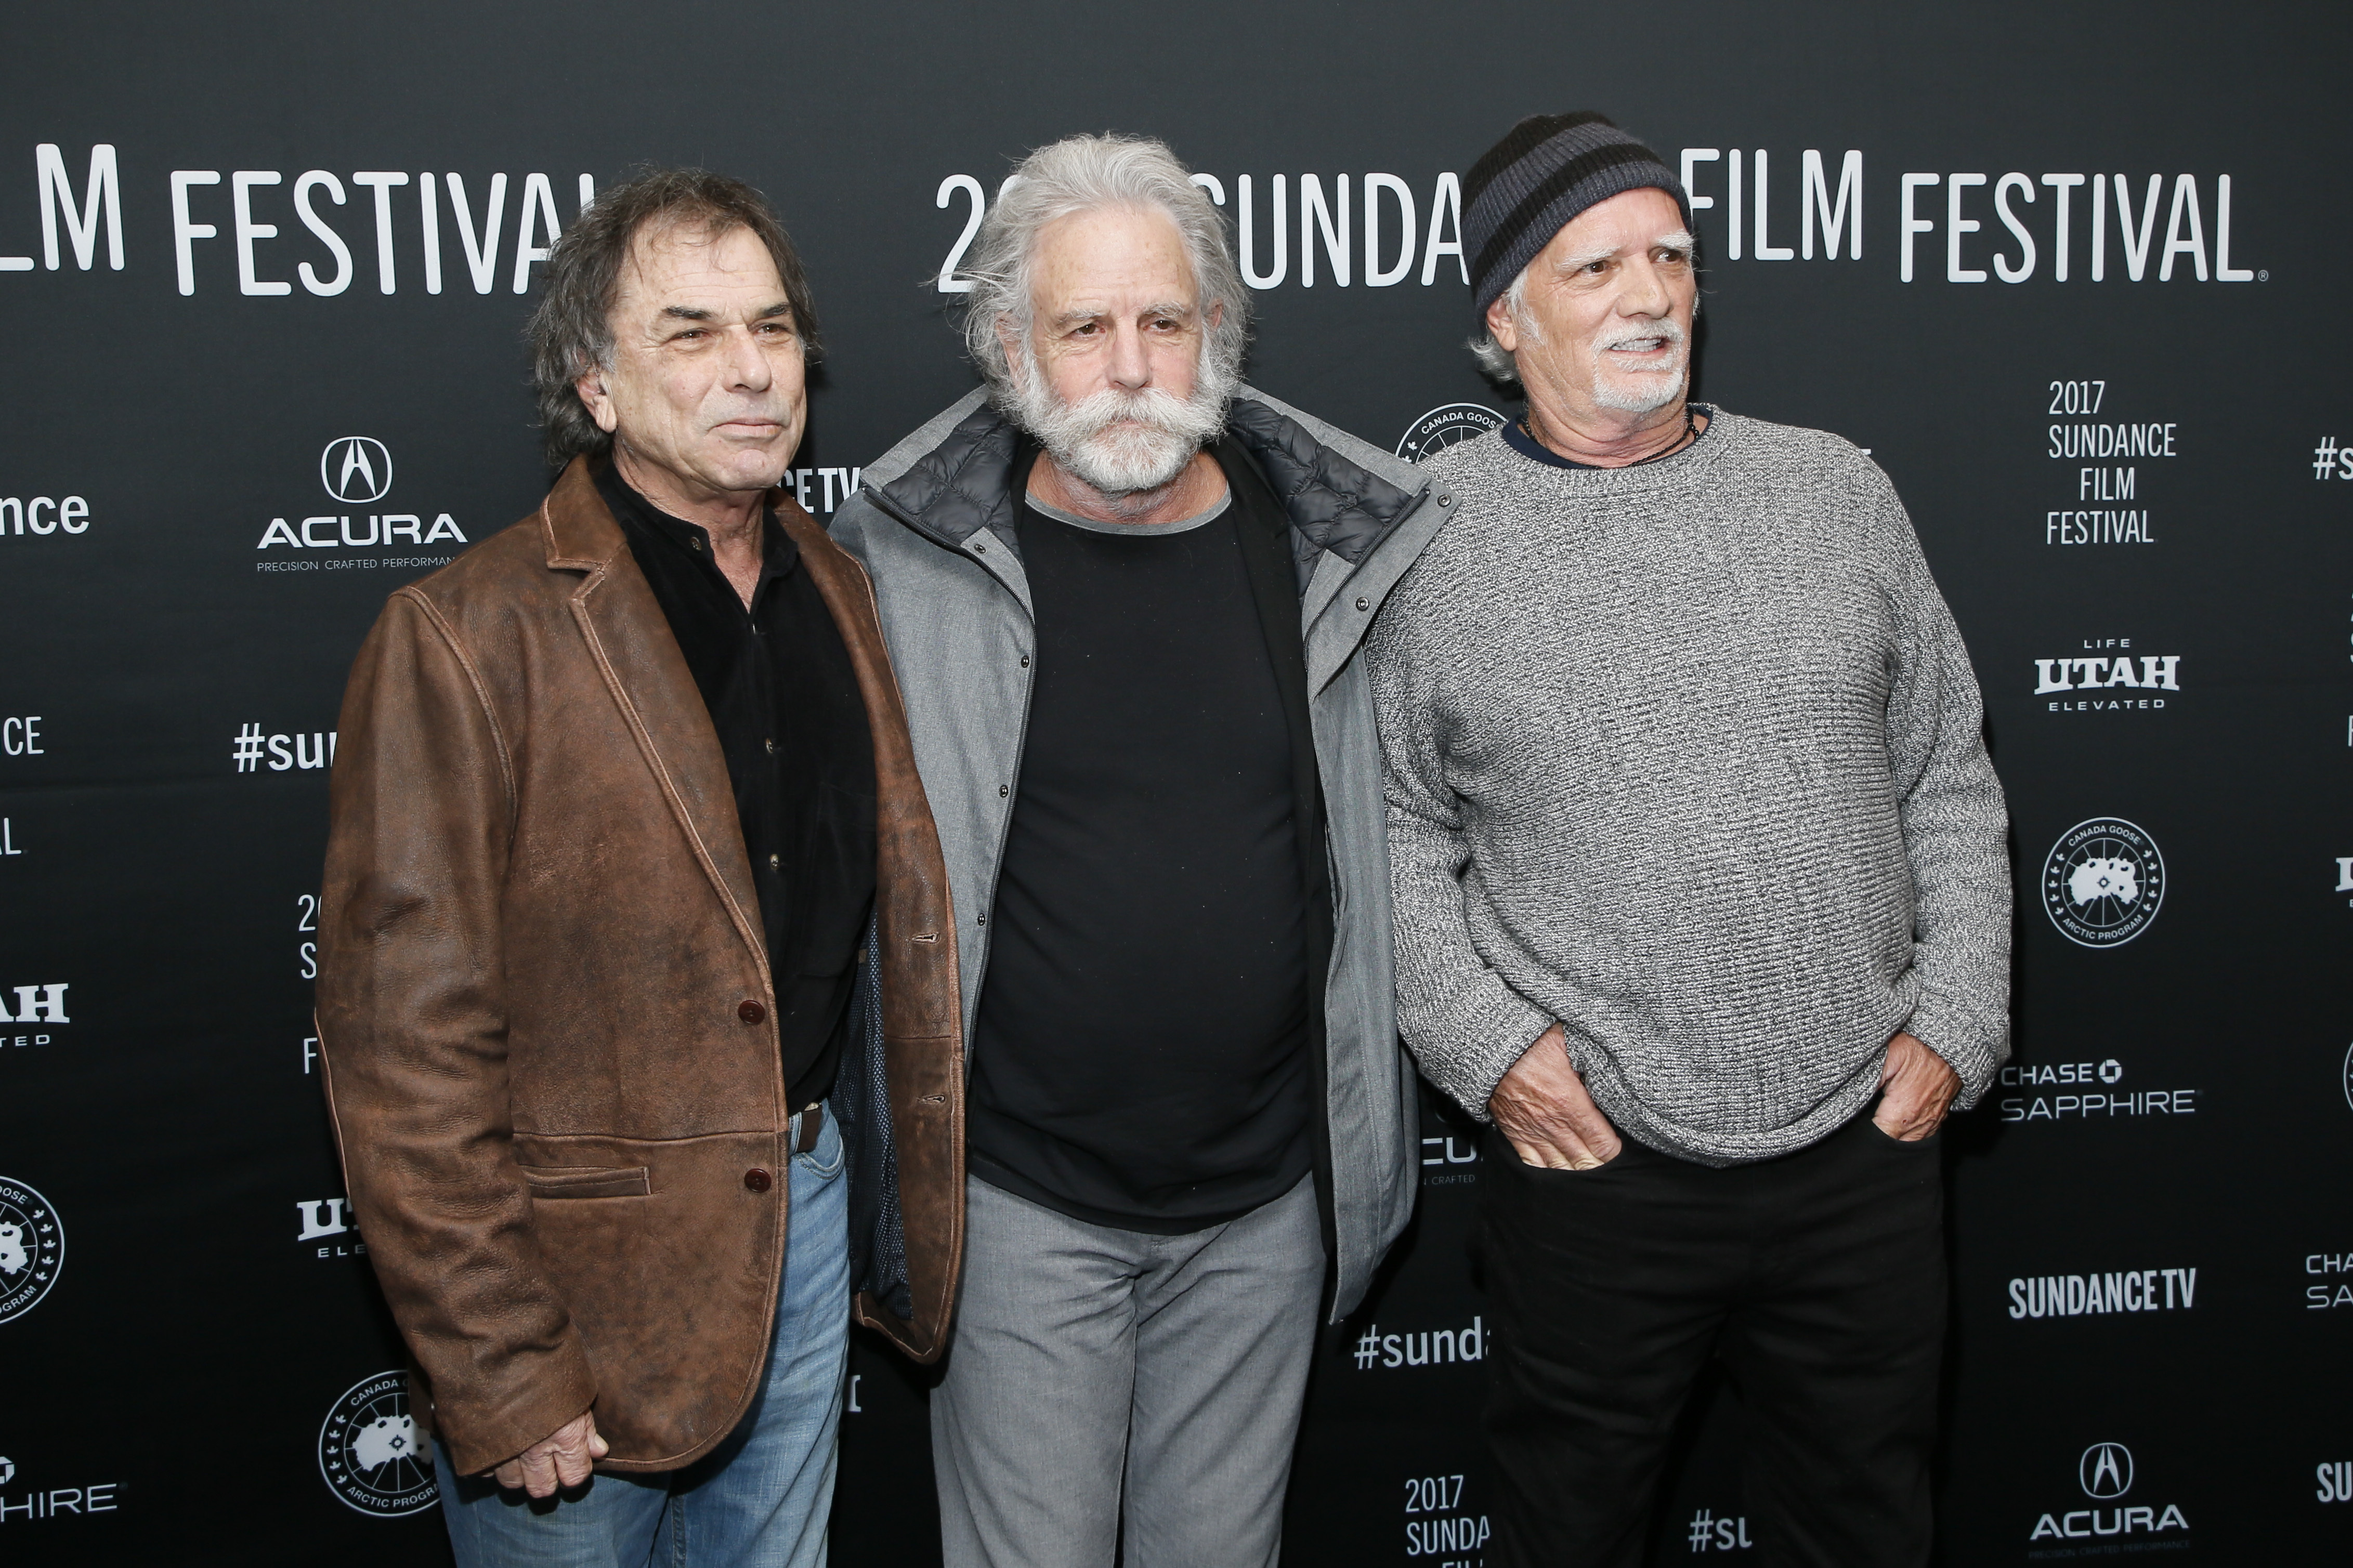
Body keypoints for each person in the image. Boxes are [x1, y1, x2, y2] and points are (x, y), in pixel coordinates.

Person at [1367, 113, 2012, 1567]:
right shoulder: (1427, 541)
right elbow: (1389, 830)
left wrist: (1961, 1016)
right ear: (1505, 313)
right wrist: (1492, 1047)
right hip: (1600, 1176)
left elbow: (1949, 781)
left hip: (1864, 1153)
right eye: (1595, 266)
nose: (1650, 295)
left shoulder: (1837, 491)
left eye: (1671, 256)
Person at [315, 167, 963, 1568]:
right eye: (691, 333)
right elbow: (398, 1051)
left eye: (775, 329)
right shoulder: (465, 631)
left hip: (803, 1232)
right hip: (573, 1297)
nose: (751, 370)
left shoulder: (841, 586)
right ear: (596, 387)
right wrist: (499, 1362)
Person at [829, 133, 1453, 1568]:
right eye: (1083, 325)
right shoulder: (898, 557)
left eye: (1165, 322)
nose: (1128, 365)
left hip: (1261, 1210)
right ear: (1006, 345)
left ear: (1219, 333)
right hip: (1022, 1210)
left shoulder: (1333, 547)